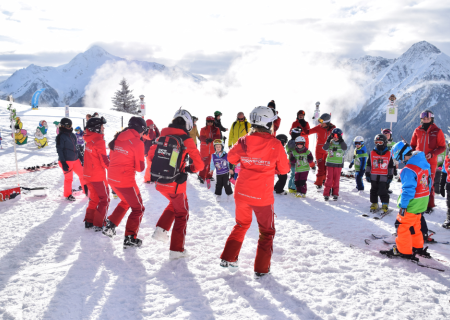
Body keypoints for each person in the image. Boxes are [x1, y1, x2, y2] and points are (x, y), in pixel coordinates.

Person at [220, 106, 290, 279]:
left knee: (241, 225)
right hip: (262, 196)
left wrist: (248, 161)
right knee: (266, 231)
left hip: (242, 192)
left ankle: (228, 258)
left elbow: (230, 158)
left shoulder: (244, 140)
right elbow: (284, 169)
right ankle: (261, 268)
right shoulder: (275, 144)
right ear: (268, 123)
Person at [148, 109, 204, 258]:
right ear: (188, 124)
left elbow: (150, 156)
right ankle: (176, 250)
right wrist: (189, 168)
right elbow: (199, 165)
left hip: (160, 182)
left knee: (174, 205)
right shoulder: (186, 139)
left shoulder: (162, 136)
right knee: (182, 214)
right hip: (175, 184)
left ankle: (161, 230)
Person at [380, 141, 432, 260]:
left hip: (412, 203)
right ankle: (417, 247)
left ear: (400, 155)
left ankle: (403, 251)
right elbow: (429, 182)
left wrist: (403, 205)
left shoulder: (409, 169)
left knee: (402, 226)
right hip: (423, 201)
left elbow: (408, 190)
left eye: (397, 158)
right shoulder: (423, 163)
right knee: (415, 225)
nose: (400, 161)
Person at [102, 117, 147, 248]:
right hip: (125, 181)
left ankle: (110, 225)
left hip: (112, 178)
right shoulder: (138, 143)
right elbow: (140, 168)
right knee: (138, 208)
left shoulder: (118, 137)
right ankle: (130, 238)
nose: (143, 134)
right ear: (140, 129)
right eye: (143, 132)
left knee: (126, 201)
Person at [410, 110, 446, 214]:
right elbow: (412, 145)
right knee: (418, 182)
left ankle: (429, 205)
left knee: (429, 183)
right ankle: (418, 202)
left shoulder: (437, 131)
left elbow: (442, 147)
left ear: (431, 119)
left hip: (431, 162)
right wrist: (412, 154)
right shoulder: (417, 130)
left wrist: (433, 153)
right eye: (423, 119)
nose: (425, 120)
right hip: (418, 161)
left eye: (427, 119)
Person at [83, 117, 110, 231]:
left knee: (94, 198)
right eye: (101, 126)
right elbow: (104, 161)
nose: (103, 128)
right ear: (97, 128)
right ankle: (99, 223)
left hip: (88, 174)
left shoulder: (89, 139)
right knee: (104, 199)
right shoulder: (99, 141)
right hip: (97, 176)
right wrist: (113, 167)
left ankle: (89, 221)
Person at [56, 118, 87, 201]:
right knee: (69, 178)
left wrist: (81, 158)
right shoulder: (60, 137)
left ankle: (87, 191)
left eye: (70, 125)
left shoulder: (73, 135)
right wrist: (63, 162)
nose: (69, 127)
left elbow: (76, 147)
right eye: (67, 126)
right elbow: (59, 150)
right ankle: (67, 195)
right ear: (62, 126)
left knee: (83, 175)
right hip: (66, 160)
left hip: (75, 159)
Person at [303, 113, 336, 190]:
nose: (320, 123)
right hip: (319, 151)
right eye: (320, 121)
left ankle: (324, 180)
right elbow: (308, 132)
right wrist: (301, 130)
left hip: (328, 151)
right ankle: (319, 183)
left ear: (327, 122)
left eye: (322, 122)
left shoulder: (332, 129)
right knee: (321, 167)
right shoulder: (319, 127)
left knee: (326, 167)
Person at [365, 134, 395, 213]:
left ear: (384, 143)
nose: (378, 144)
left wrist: (390, 176)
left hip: (384, 177)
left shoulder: (388, 154)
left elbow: (391, 166)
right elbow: (368, 164)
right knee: (373, 190)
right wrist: (367, 174)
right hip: (374, 176)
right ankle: (374, 203)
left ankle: (385, 204)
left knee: (383, 190)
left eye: (380, 142)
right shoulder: (372, 153)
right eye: (376, 142)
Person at [322, 128, 347, 201]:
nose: (335, 138)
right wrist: (328, 140)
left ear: (340, 136)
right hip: (330, 163)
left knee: (336, 179)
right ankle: (326, 194)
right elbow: (324, 147)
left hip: (338, 164)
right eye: (333, 136)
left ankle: (335, 193)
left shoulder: (342, 144)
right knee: (329, 179)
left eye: (337, 136)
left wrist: (341, 140)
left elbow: (345, 148)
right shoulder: (330, 143)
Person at [198, 116, 220, 183]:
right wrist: (206, 140)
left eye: (211, 121)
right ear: (206, 122)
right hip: (205, 149)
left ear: (213, 122)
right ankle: (201, 176)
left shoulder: (216, 129)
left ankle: (209, 176)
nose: (209, 123)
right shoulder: (203, 129)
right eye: (208, 121)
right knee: (204, 163)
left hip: (213, 149)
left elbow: (218, 137)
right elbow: (201, 137)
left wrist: (212, 139)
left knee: (211, 163)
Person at [143, 119, 160, 183]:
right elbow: (150, 137)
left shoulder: (152, 131)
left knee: (154, 165)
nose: (152, 126)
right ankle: (147, 179)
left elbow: (158, 136)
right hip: (148, 152)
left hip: (153, 151)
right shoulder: (144, 133)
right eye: (151, 125)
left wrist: (156, 128)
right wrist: (151, 129)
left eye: (152, 124)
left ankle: (152, 178)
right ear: (147, 125)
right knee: (149, 166)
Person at [286, 128, 302, 193]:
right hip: (296, 161)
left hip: (291, 160)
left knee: (293, 174)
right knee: (296, 175)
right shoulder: (296, 143)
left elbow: (287, 149)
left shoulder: (289, 141)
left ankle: (290, 187)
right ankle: (294, 188)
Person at [382, 128, 398, 193]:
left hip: (391, 164)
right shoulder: (380, 143)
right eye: (385, 135)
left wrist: (396, 163)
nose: (386, 137)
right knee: (383, 176)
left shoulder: (394, 144)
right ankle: (382, 188)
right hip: (383, 163)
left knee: (390, 176)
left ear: (390, 136)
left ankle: (386, 188)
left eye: (388, 135)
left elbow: (396, 154)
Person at [439, 142, 450, 229]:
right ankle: (449, 219)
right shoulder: (447, 159)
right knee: (449, 203)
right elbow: (444, 172)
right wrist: (441, 185)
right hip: (449, 184)